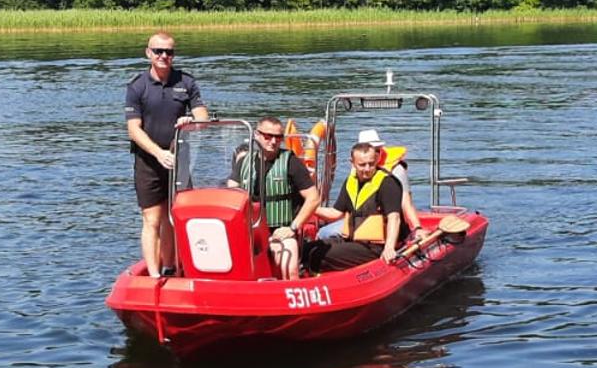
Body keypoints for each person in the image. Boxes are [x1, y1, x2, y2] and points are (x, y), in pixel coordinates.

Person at [125, 32, 209, 277]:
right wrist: (159, 153)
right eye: (159, 51)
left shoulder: (187, 82)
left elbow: (203, 117)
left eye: (169, 52)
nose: (164, 56)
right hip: (148, 162)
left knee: (175, 218)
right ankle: (153, 276)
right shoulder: (136, 86)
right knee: (152, 220)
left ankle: (171, 267)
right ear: (148, 53)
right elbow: (133, 129)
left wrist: (191, 120)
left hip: (179, 160)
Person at [229, 116, 321, 279]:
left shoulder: (291, 162)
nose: (273, 141)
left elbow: (313, 198)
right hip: (249, 230)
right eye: (267, 136)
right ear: (257, 135)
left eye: (278, 137)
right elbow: (230, 193)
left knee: (289, 267)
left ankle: (290, 294)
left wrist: (292, 227)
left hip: (280, 230)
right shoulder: (243, 161)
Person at [309, 141, 406, 272]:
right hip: (354, 242)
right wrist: (309, 208)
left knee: (319, 254)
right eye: (362, 165)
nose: (367, 169)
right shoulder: (351, 182)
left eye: (371, 163)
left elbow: (394, 218)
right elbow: (335, 213)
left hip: (375, 247)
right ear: (352, 163)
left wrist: (389, 247)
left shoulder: (387, 183)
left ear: (377, 159)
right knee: (307, 248)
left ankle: (321, 276)